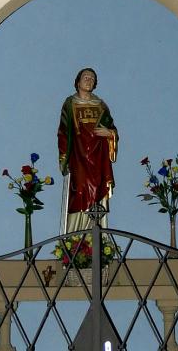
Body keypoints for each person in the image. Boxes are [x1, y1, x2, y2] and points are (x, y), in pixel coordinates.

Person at [58, 68, 118, 232]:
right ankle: (75, 236)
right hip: (78, 156)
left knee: (98, 191)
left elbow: (112, 128)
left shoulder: (101, 105)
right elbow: (63, 132)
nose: (89, 80)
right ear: (78, 82)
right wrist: (64, 157)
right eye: (86, 77)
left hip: (99, 158)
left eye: (92, 78)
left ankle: (98, 234)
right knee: (79, 191)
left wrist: (110, 134)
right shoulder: (70, 103)